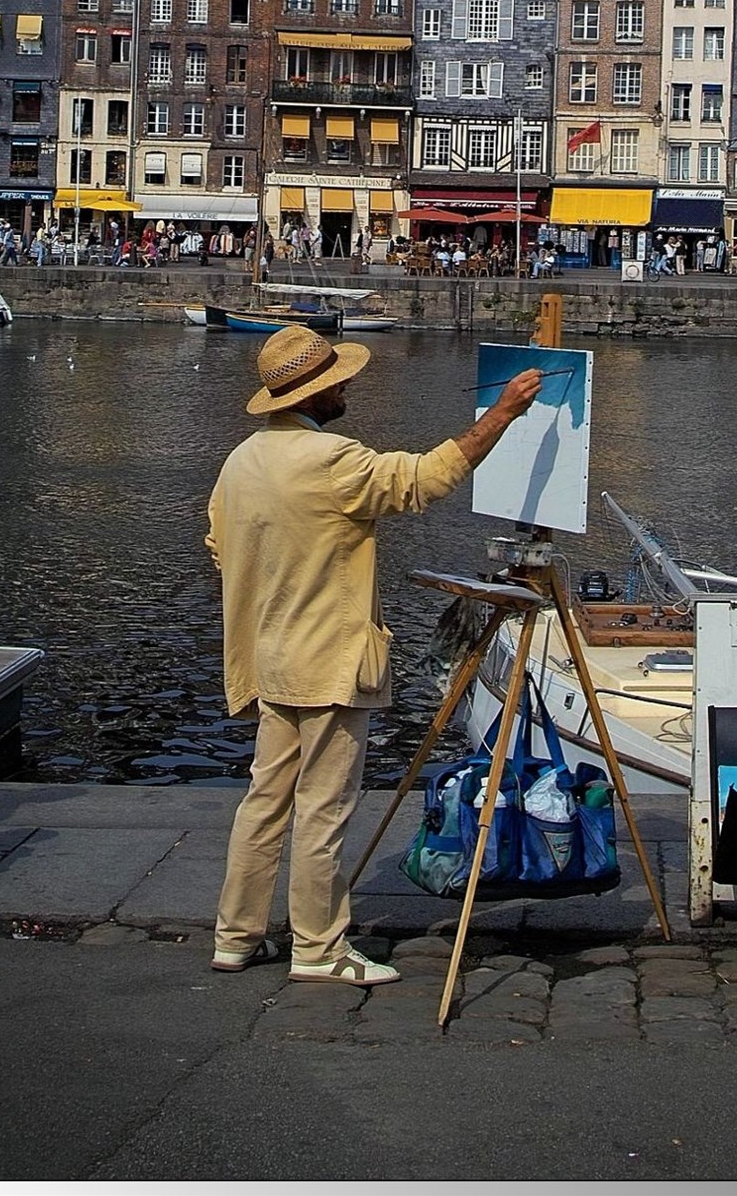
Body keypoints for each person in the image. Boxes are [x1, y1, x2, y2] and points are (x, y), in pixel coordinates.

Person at [205, 326, 541, 986]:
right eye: (340, 382)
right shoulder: (332, 460)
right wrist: (501, 413)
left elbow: (220, 546)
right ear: (319, 392)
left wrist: (275, 578)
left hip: (268, 657)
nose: (349, 386)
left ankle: (235, 937)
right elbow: (423, 480)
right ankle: (319, 949)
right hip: (328, 664)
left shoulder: (241, 461)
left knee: (264, 802)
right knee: (323, 811)